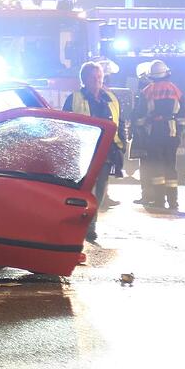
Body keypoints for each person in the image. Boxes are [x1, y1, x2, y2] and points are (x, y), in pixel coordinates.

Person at [63, 61, 124, 243]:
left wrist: (121, 145)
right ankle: (78, 224)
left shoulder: (111, 98)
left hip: (106, 151)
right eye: (93, 77)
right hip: (84, 151)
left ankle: (91, 226)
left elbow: (120, 121)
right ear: (84, 79)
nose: (98, 80)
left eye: (100, 77)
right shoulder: (73, 98)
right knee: (84, 189)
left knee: (100, 190)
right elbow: (65, 126)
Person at [131, 59, 185, 211]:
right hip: (172, 132)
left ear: (151, 76)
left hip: (154, 133)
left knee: (156, 168)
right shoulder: (176, 90)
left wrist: (140, 128)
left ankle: (159, 201)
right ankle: (173, 202)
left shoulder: (147, 91)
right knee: (170, 167)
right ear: (166, 73)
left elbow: (139, 116)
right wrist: (179, 132)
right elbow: (182, 114)